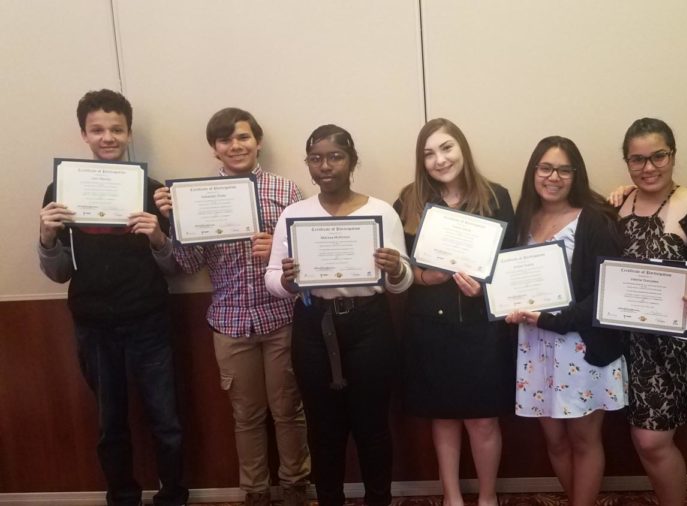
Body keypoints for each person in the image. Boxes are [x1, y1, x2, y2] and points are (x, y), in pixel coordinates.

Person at [37, 89, 188, 506]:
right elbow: (57, 273)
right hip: (94, 325)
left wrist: (159, 234)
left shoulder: (155, 192)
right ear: (83, 134)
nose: (108, 137)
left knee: (166, 422)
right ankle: (122, 497)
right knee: (110, 425)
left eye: (116, 129)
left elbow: (176, 268)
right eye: (98, 129)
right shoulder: (60, 190)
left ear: (129, 133)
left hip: (149, 321)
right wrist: (47, 235)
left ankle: (173, 496)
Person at [154, 108, 311, 506]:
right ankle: (255, 492)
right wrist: (172, 224)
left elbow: (309, 256)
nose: (235, 146)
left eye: (242, 137)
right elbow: (187, 266)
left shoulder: (285, 190)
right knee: (247, 417)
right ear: (214, 149)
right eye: (225, 140)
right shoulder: (196, 197)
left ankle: (296, 486)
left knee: (289, 410)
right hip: (230, 322)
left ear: (257, 141)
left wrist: (276, 248)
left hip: (282, 318)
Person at [265, 124, 413, 506]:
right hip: (314, 326)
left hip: (370, 324)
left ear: (352, 161)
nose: (325, 166)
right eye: (316, 158)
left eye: (335, 156)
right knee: (323, 428)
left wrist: (396, 269)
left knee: (373, 427)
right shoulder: (294, 214)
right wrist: (288, 281)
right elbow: (271, 281)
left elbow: (403, 281)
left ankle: (378, 500)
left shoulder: (381, 212)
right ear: (308, 165)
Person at [395, 118, 516, 506]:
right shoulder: (408, 200)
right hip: (430, 325)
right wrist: (425, 277)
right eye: (429, 153)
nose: (439, 159)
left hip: (481, 326)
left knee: (483, 419)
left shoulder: (496, 197)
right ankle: (451, 496)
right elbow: (399, 269)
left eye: (446, 148)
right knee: (443, 416)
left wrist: (486, 285)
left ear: (462, 149)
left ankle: (486, 496)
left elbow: (512, 263)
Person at [505, 136, 627, 506]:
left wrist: (553, 320)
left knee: (583, 440)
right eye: (545, 167)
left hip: (580, 346)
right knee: (554, 439)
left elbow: (606, 294)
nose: (553, 176)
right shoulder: (522, 219)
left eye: (563, 169)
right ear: (533, 172)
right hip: (535, 346)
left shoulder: (596, 220)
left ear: (576, 175)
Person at [617, 118, 687, 506]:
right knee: (645, 441)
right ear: (627, 163)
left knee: (650, 440)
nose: (649, 167)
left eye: (658, 156)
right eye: (637, 159)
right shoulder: (614, 206)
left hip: (677, 348)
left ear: (673, 155)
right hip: (626, 345)